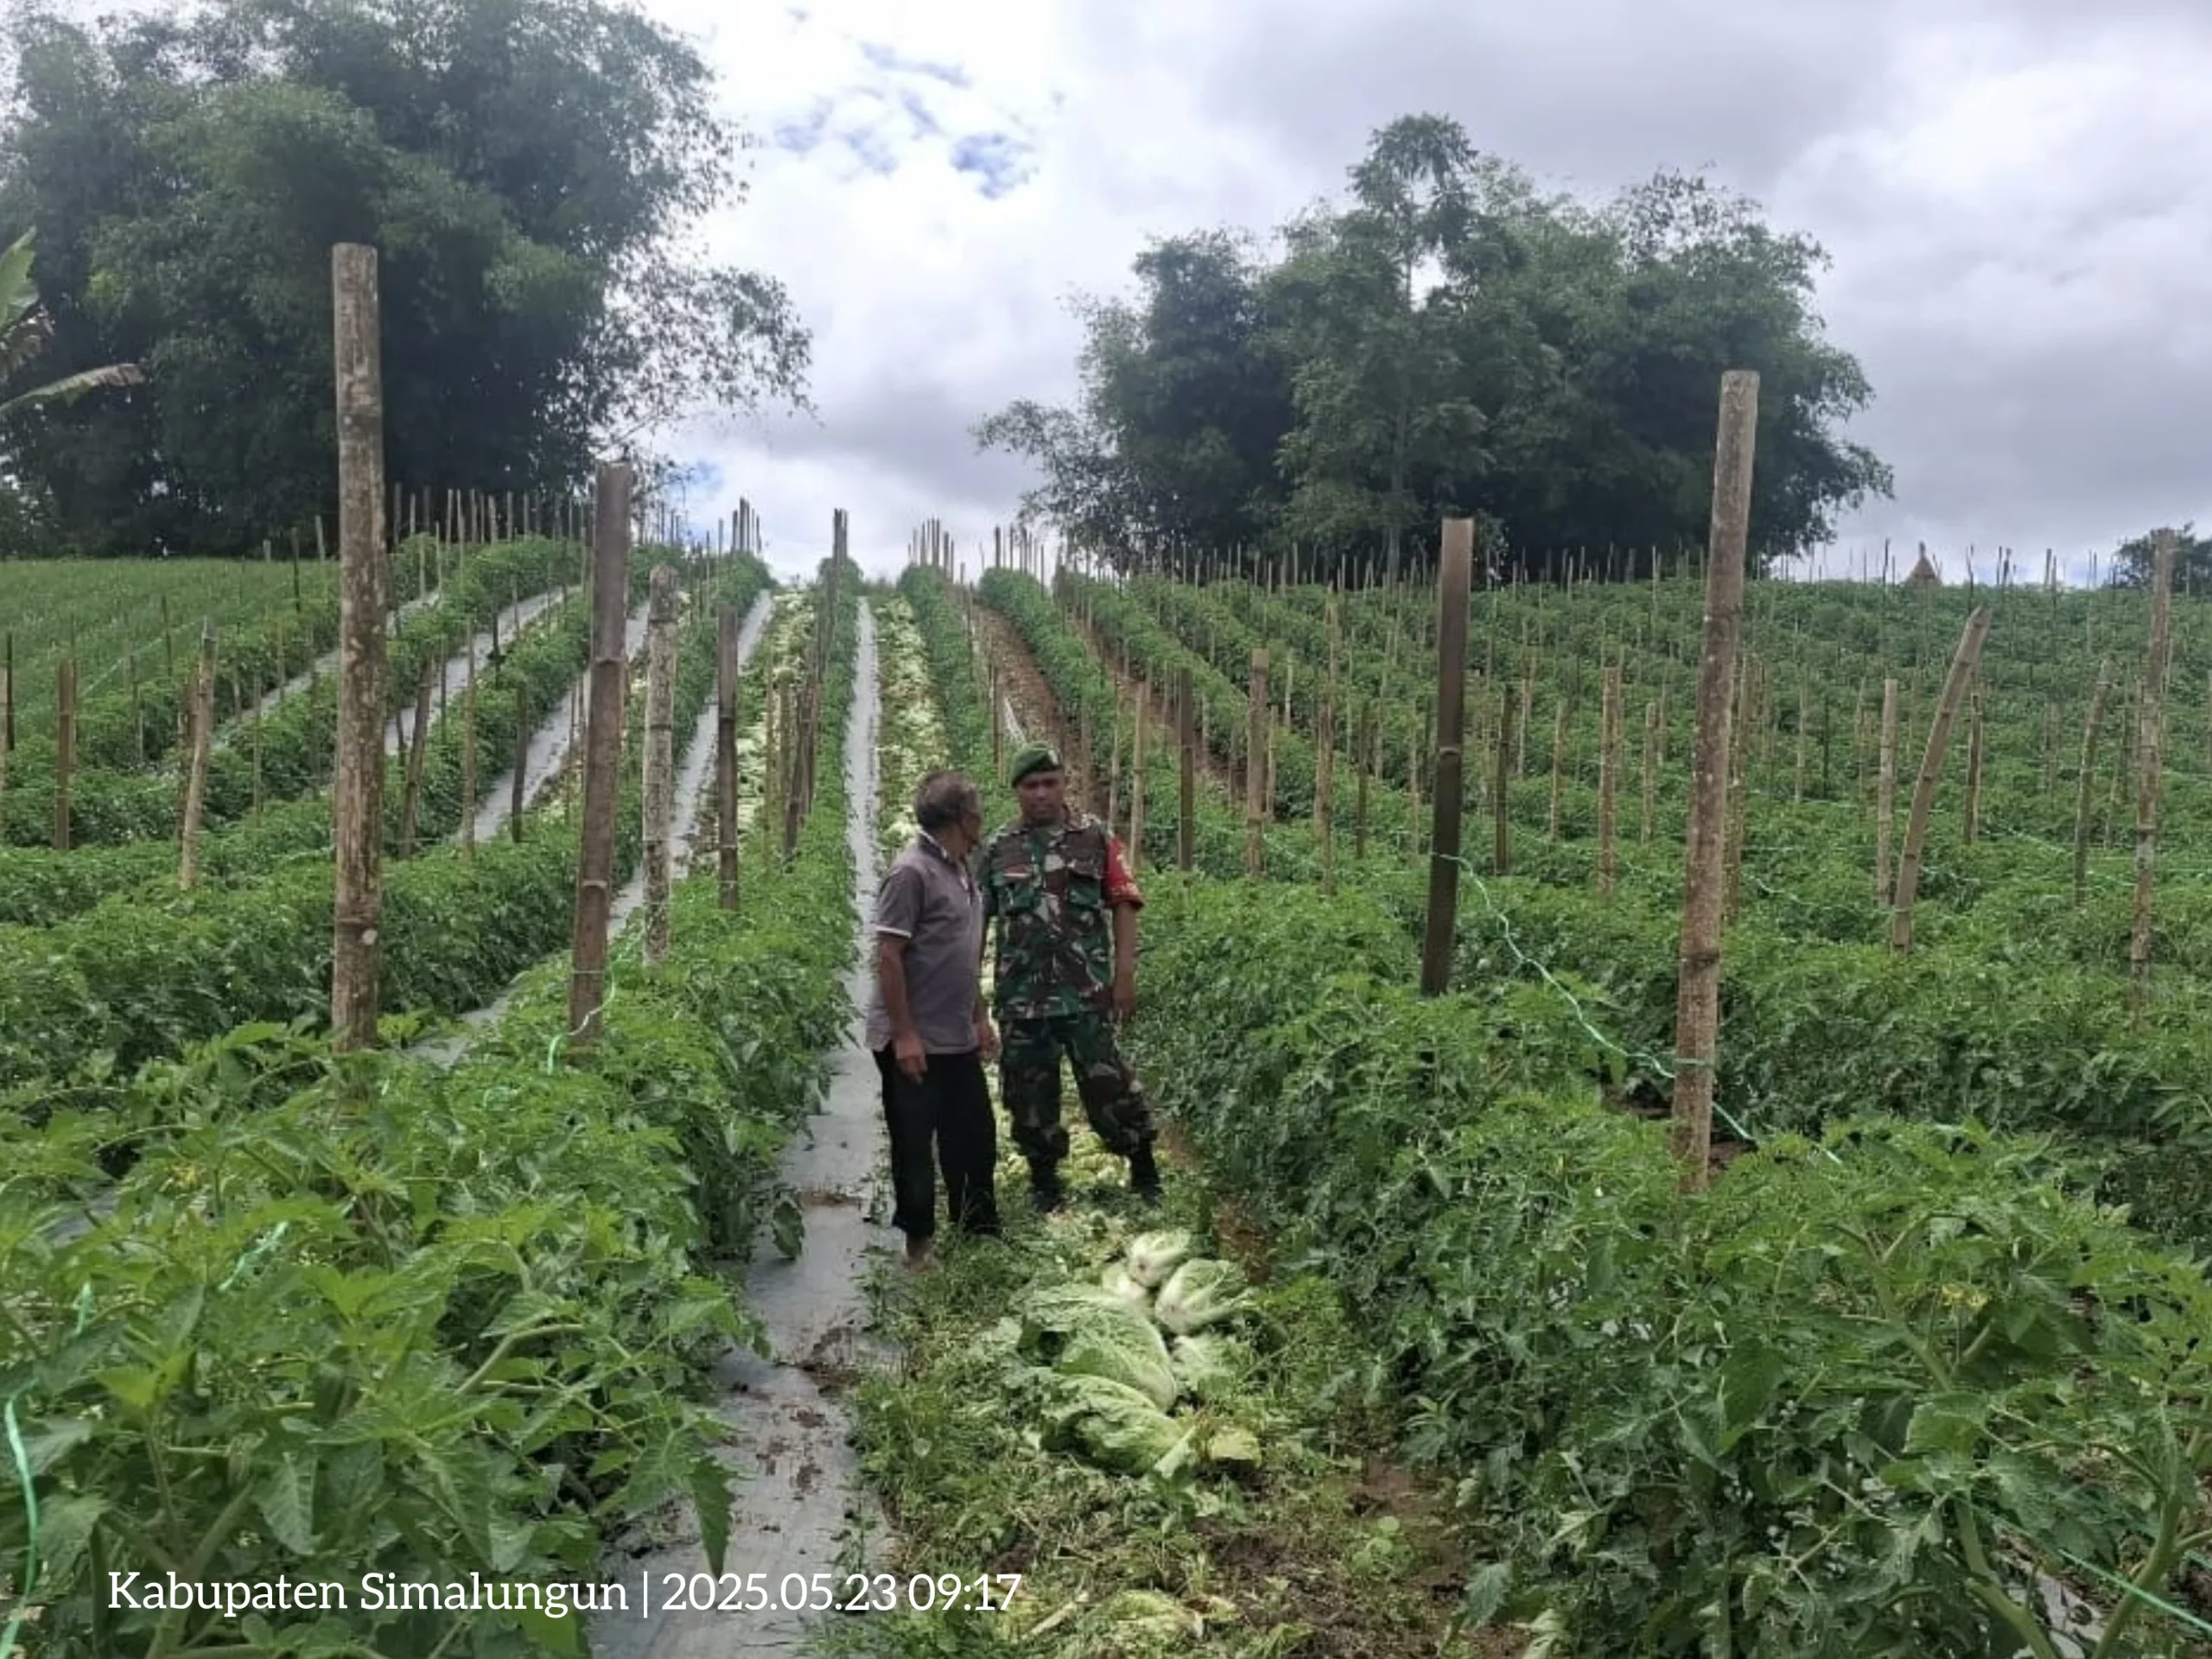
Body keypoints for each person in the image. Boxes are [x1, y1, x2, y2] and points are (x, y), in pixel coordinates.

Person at [978, 742, 1160, 1212]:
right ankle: (1044, 1180)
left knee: (1110, 1086)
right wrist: (973, 1004)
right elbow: (974, 925)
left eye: (1050, 783)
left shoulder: (1095, 838)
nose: (1041, 794)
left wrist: (1124, 975)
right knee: (1029, 1095)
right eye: (1031, 786)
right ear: (1017, 791)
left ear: (1064, 784)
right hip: (1024, 1000)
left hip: (1087, 994)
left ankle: (1143, 1167)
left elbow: (1123, 902)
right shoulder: (998, 849)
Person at [865, 769, 1000, 1269]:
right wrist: (904, 1035)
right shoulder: (911, 872)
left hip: (955, 1034)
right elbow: (889, 956)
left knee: (974, 1135)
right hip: (915, 1039)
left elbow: (961, 955)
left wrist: (979, 1017)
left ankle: (977, 1234)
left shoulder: (963, 869)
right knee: (915, 1143)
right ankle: (919, 1248)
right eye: (979, 811)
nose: (983, 819)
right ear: (963, 818)